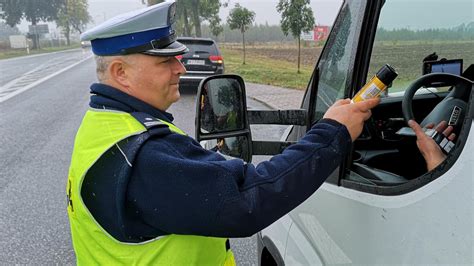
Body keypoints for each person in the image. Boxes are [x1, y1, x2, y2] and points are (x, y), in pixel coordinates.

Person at [65, 1, 445, 265]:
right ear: (120, 74)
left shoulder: (108, 125)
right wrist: (333, 132)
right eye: (166, 60)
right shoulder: (142, 155)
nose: (180, 68)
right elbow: (247, 200)